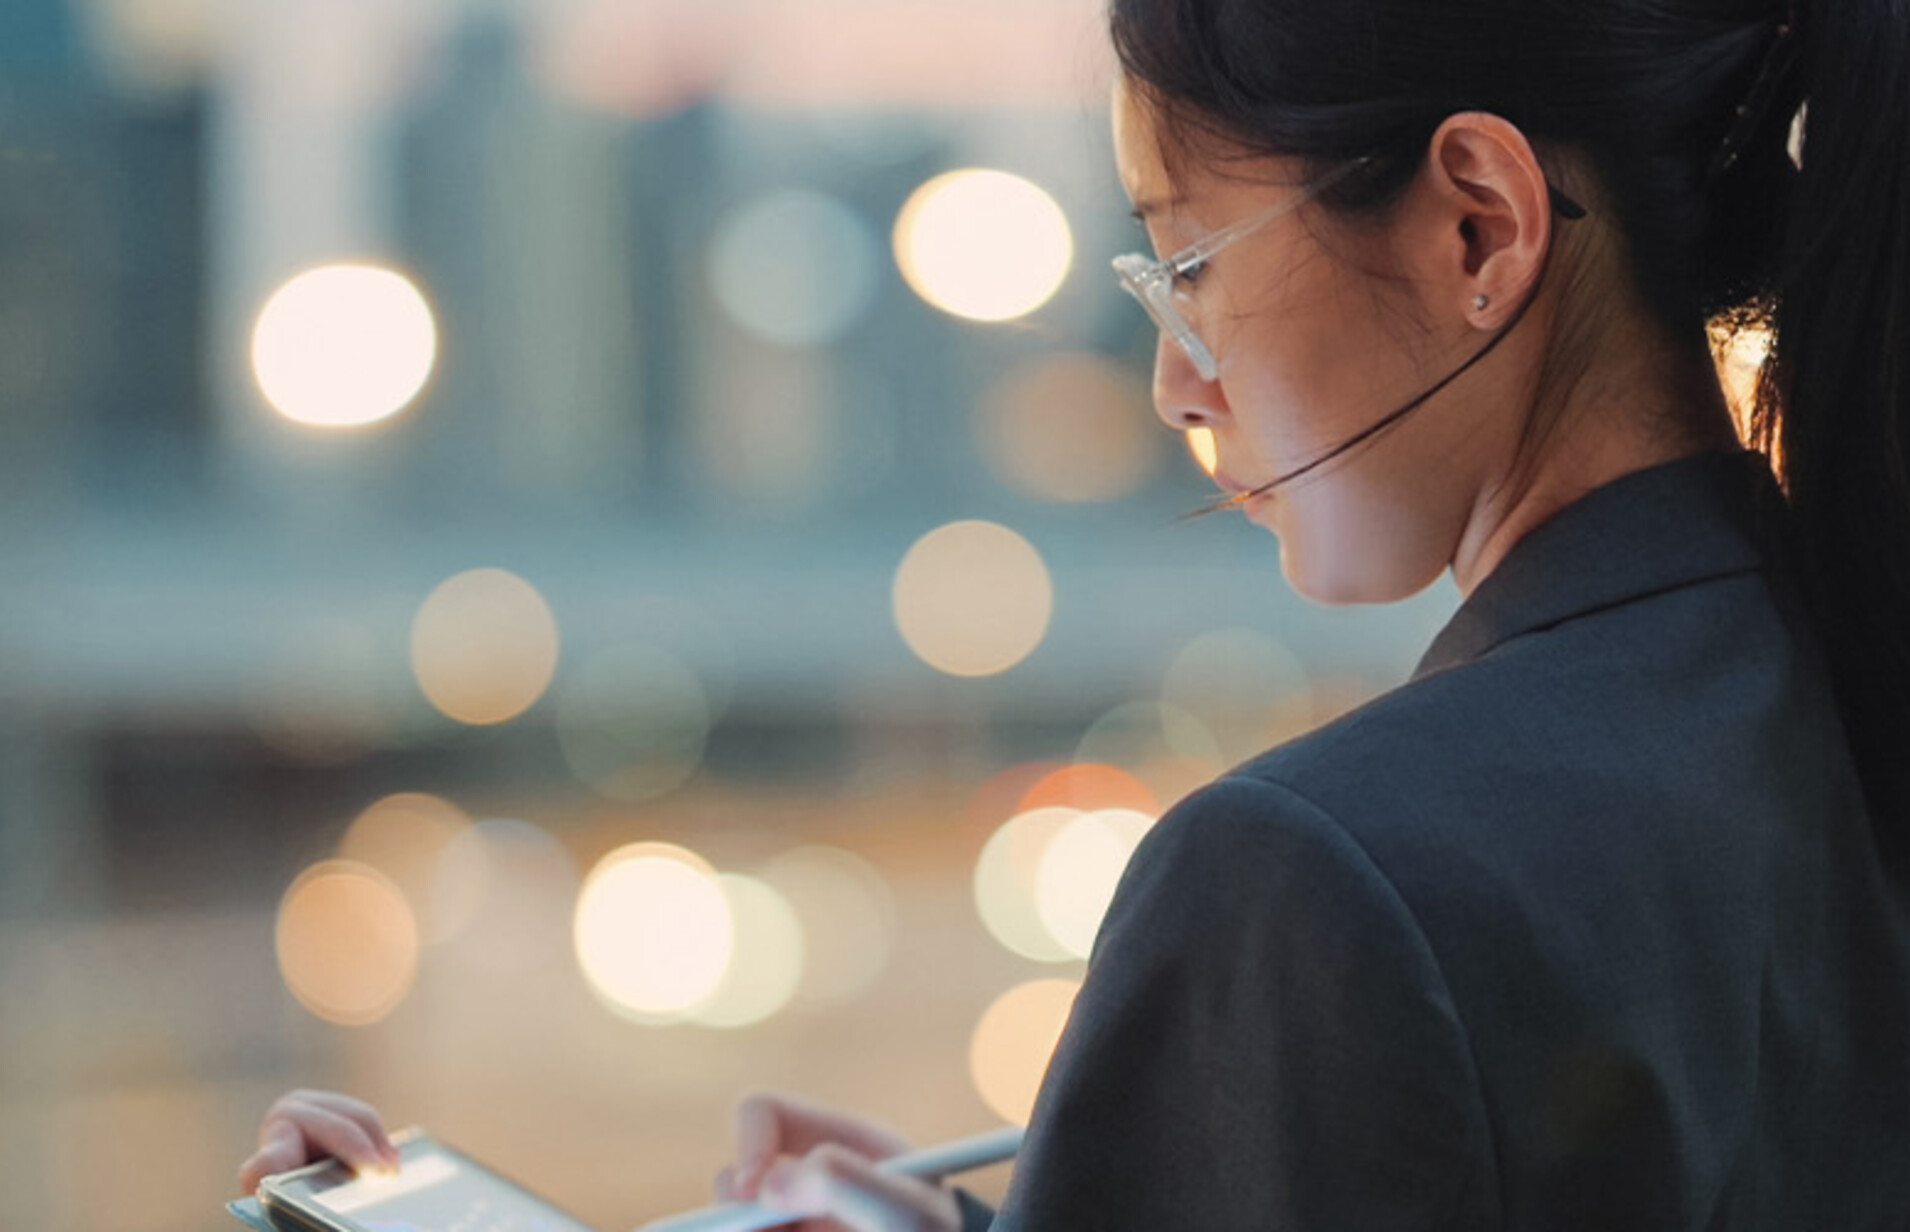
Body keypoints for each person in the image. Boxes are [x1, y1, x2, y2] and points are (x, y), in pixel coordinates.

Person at [239, 0, 1910, 1226]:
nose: (1175, 379)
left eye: (1184, 264)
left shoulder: (1320, 877)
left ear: (1480, 223)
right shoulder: (1827, 698)